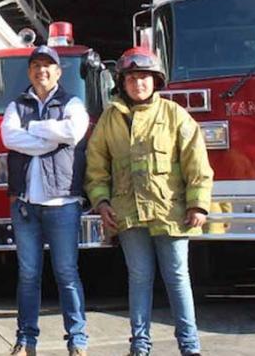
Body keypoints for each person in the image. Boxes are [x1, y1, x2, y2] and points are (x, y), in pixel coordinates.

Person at [85, 47, 213, 356]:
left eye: (144, 77)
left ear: (156, 81)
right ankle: (140, 345)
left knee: (177, 277)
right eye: (131, 78)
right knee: (139, 278)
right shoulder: (109, 121)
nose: (137, 83)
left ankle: (189, 346)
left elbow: (196, 160)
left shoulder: (174, 114)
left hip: (171, 212)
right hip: (128, 214)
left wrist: (198, 203)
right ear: (122, 82)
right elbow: (96, 166)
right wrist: (102, 203)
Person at [1, 45, 90, 356]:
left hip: (63, 203)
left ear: (58, 71)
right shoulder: (15, 106)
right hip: (25, 204)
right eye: (36, 65)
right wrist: (53, 138)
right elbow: (10, 138)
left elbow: (75, 131)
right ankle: (26, 341)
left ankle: (77, 340)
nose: (42, 71)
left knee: (66, 272)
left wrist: (35, 130)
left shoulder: (73, 103)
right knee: (28, 275)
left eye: (48, 65)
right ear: (29, 72)